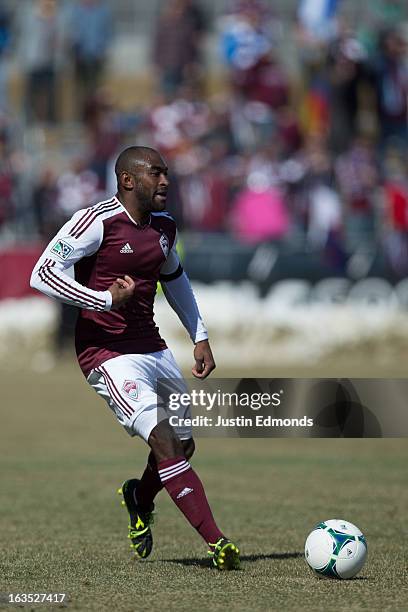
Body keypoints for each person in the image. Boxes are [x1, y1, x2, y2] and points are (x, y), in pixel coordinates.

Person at [30, 146, 240, 570]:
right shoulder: (97, 221)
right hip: (107, 354)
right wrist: (104, 299)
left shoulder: (164, 227)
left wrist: (199, 336)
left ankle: (139, 496)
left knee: (182, 444)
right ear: (128, 180)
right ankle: (218, 544)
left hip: (153, 346)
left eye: (167, 174)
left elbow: (174, 277)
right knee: (163, 440)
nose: (165, 182)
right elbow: (44, 274)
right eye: (156, 174)